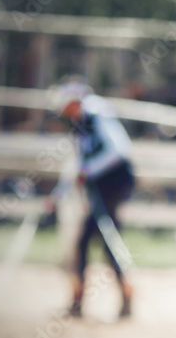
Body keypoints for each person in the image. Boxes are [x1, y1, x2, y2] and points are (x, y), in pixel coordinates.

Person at [46, 79, 136, 319]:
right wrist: (59, 194)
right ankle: (110, 297)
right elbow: (77, 164)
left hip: (113, 184)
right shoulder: (80, 123)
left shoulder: (96, 113)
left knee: (97, 239)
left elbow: (118, 150)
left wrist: (90, 171)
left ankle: (89, 300)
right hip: (99, 186)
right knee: (98, 240)